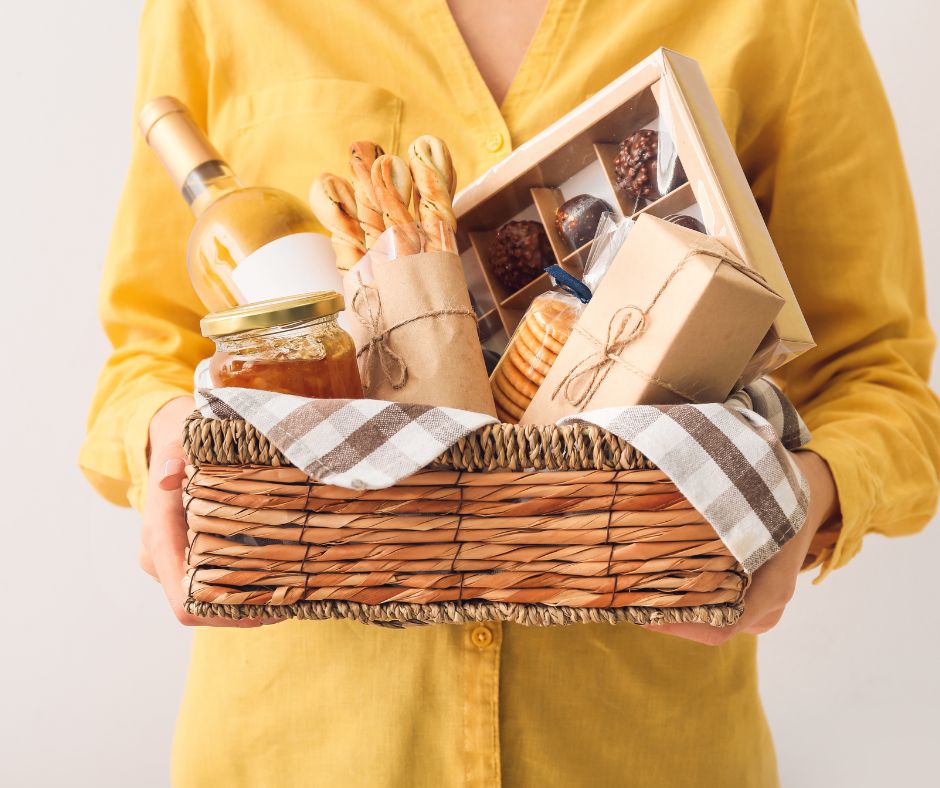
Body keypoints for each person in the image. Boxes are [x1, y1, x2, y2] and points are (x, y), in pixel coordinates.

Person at [81, 1, 940, 785]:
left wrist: (804, 497)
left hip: (639, 747)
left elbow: (879, 378)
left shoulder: (787, 14)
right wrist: (163, 442)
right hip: (297, 747)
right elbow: (149, 349)